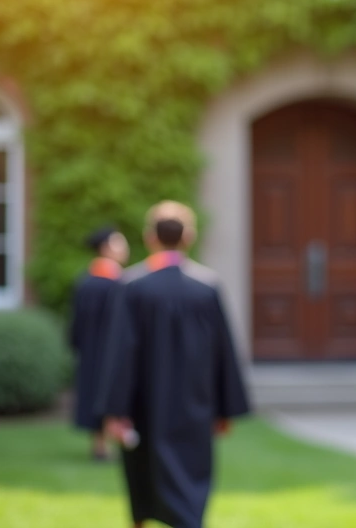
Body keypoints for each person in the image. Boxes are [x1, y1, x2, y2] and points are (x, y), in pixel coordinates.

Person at [95, 201, 251, 528]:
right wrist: (225, 409)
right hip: (196, 404)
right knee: (190, 479)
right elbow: (224, 351)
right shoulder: (206, 288)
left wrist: (115, 410)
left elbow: (121, 353)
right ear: (188, 237)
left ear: (151, 237)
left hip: (145, 405)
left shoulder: (133, 286)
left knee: (143, 480)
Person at [69, 226, 130, 461]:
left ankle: (101, 443)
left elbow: (76, 324)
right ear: (106, 248)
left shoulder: (85, 281)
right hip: (111, 351)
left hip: (91, 350)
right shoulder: (118, 283)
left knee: (95, 390)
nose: (124, 247)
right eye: (119, 242)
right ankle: (105, 443)